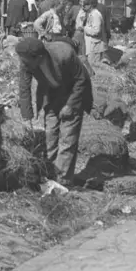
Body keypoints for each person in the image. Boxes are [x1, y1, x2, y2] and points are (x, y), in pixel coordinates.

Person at [15, 37, 93, 186]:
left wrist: (70, 105)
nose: (23, 63)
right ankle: (50, 174)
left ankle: (63, 181)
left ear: (38, 57)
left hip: (73, 92)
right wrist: (27, 115)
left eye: (26, 61)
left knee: (67, 139)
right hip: (51, 94)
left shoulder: (64, 53)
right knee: (50, 134)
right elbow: (24, 86)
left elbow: (81, 80)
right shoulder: (26, 60)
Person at [82, 0, 107, 64]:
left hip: (96, 46)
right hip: (93, 45)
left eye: (86, 5)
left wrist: (84, 28)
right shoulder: (91, 14)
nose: (84, 7)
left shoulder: (95, 15)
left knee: (94, 66)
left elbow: (96, 31)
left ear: (90, 5)